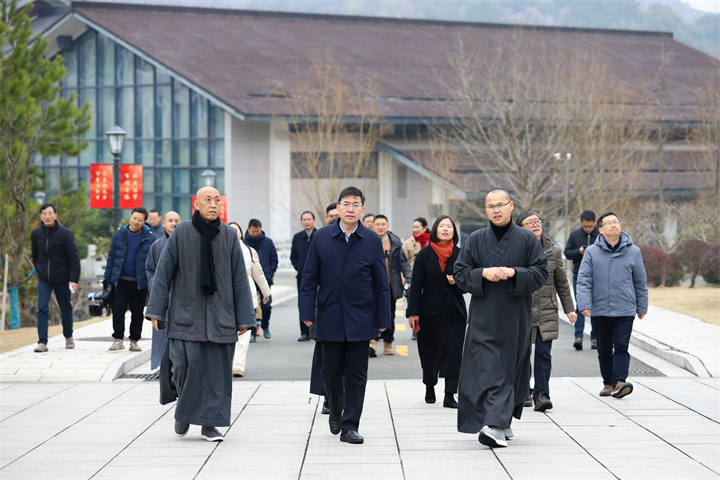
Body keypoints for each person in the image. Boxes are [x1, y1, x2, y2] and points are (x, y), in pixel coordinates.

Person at [145, 187, 255, 442]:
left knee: (217, 373)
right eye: (208, 200)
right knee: (182, 366)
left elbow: (240, 277)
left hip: (221, 316)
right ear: (196, 204)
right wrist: (156, 311)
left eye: (217, 200)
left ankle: (209, 425)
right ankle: (184, 409)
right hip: (186, 314)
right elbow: (163, 273)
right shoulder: (182, 232)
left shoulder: (228, 235)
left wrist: (245, 317)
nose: (213, 204)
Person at [453, 188, 548, 448]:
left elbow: (540, 273)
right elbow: (460, 274)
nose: (496, 209)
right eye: (490, 206)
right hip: (483, 316)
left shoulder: (527, 239)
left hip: (515, 316)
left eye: (500, 204)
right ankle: (495, 423)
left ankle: (499, 422)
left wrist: (513, 273)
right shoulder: (475, 239)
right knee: (484, 370)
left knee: (509, 368)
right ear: (485, 210)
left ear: (511, 206)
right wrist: (482, 274)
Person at [299, 186, 391, 445]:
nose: (351, 208)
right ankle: (336, 409)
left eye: (356, 204)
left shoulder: (371, 240)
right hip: (330, 315)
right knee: (330, 371)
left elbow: (381, 284)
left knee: (357, 373)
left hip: (362, 316)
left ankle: (350, 425)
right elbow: (309, 278)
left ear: (362, 209)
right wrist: (307, 312)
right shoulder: (322, 238)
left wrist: (384, 320)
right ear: (338, 208)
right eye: (346, 204)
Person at [576, 212, 648, 400]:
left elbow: (640, 281)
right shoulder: (592, 251)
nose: (614, 225)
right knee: (604, 348)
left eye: (616, 221)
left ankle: (620, 382)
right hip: (600, 309)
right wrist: (583, 304)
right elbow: (584, 280)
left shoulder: (633, 251)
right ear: (600, 229)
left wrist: (642, 305)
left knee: (622, 346)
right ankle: (608, 383)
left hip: (625, 308)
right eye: (609, 223)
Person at [516, 210, 577, 412]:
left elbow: (561, 282)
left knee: (543, 355)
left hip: (547, 310)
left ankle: (541, 395)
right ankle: (523, 391)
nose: (535, 225)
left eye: (537, 221)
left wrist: (569, 309)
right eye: (529, 222)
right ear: (520, 228)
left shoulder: (553, 251)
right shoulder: (515, 251)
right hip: (522, 309)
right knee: (522, 355)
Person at [406, 215, 466, 409]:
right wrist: (413, 312)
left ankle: (450, 394)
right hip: (429, 309)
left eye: (449, 226)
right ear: (435, 230)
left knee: (454, 352)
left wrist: (457, 282)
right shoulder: (424, 254)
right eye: (442, 226)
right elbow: (416, 286)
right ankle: (429, 385)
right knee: (429, 351)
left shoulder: (461, 254)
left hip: (454, 308)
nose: (446, 229)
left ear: (454, 232)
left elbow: (468, 283)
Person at [30, 203, 81, 352]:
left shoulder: (65, 234)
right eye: (44, 214)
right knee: (42, 309)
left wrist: (73, 279)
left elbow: (74, 259)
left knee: (65, 309)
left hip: (63, 278)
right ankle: (42, 342)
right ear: (40, 216)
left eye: (50, 213)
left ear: (55, 215)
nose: (47, 216)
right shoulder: (36, 234)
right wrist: (39, 270)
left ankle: (68, 336)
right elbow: (34, 255)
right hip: (44, 278)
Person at [104, 207, 156, 351]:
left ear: (144, 221)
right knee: (118, 310)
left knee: (137, 313)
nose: (136, 222)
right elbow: (112, 258)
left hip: (139, 283)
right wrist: (107, 279)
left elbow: (154, 261)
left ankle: (134, 341)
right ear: (130, 217)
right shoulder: (120, 234)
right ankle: (118, 339)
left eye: (140, 220)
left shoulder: (150, 237)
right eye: (134, 218)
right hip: (120, 281)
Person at [228, 222, 271, 377]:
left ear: (241, 232)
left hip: (247, 295)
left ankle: (238, 365)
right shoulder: (218, 249)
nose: (233, 232)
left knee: (244, 333)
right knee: (228, 333)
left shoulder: (249, 251)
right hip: (225, 298)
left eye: (236, 230)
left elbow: (258, 273)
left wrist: (266, 292)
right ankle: (227, 363)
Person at [370, 214, 412, 357]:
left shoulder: (395, 243)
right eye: (378, 224)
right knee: (371, 315)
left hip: (389, 286)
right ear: (373, 226)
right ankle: (372, 343)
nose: (380, 227)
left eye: (383, 224)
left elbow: (404, 263)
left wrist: (409, 277)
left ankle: (388, 343)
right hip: (370, 286)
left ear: (387, 226)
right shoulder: (367, 241)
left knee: (388, 316)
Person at [145, 211, 181, 369]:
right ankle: (160, 364)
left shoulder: (186, 244)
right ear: (164, 223)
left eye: (177, 221)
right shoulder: (156, 245)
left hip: (182, 295)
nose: (173, 223)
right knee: (161, 329)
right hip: (163, 294)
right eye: (170, 220)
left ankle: (179, 365)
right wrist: (154, 285)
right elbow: (149, 269)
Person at [565, 210, 600, 350]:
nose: (587, 229)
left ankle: (595, 338)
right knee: (580, 306)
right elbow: (567, 253)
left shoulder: (601, 235)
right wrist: (578, 252)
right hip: (578, 276)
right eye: (585, 226)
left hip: (597, 277)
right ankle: (578, 337)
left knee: (596, 307)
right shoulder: (575, 235)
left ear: (595, 222)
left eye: (590, 226)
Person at [244, 219, 278, 341]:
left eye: (257, 231)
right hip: (250, 281)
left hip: (265, 279)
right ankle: (253, 333)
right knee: (251, 307)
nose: (255, 233)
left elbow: (274, 258)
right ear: (248, 229)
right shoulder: (244, 243)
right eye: (253, 231)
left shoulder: (268, 242)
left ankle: (265, 325)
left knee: (267, 306)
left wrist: (270, 272)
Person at [290, 210, 317, 341]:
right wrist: (299, 268)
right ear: (302, 222)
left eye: (309, 219)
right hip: (302, 276)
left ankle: (317, 330)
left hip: (318, 277)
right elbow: (293, 256)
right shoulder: (297, 237)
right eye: (304, 219)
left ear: (314, 221)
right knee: (303, 303)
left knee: (318, 302)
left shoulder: (320, 235)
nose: (307, 221)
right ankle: (304, 332)